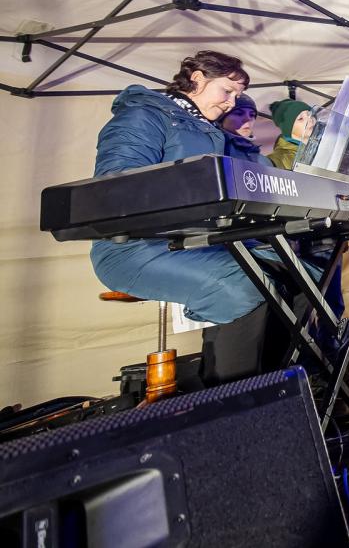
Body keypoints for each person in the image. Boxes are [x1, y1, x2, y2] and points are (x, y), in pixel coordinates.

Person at [91, 51, 291, 383]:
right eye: (227, 91)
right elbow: (116, 187)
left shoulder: (213, 132)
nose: (231, 103)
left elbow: (266, 177)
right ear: (197, 78)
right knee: (243, 284)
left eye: (237, 96)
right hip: (134, 246)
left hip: (205, 240)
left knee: (299, 273)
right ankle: (231, 399)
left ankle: (279, 384)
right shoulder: (144, 116)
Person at [220, 93, 268, 164]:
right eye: (239, 113)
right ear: (221, 118)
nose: (248, 119)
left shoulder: (264, 161)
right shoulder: (214, 149)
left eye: (252, 115)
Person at [266, 99, 314, 170]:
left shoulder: (323, 146)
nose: (310, 120)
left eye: (310, 115)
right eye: (301, 119)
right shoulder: (279, 159)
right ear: (288, 127)